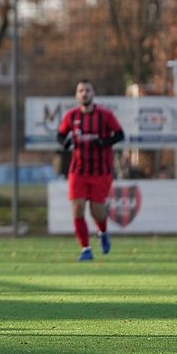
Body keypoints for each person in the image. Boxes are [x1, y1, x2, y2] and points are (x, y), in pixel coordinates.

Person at [56, 80, 124, 261]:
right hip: (78, 171)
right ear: (76, 95)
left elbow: (120, 134)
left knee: (97, 212)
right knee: (77, 209)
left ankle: (103, 232)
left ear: (93, 93)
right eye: (81, 90)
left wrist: (104, 142)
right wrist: (65, 143)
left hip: (100, 171)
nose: (84, 93)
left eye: (87, 90)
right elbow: (60, 135)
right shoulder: (71, 116)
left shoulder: (105, 115)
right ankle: (85, 249)